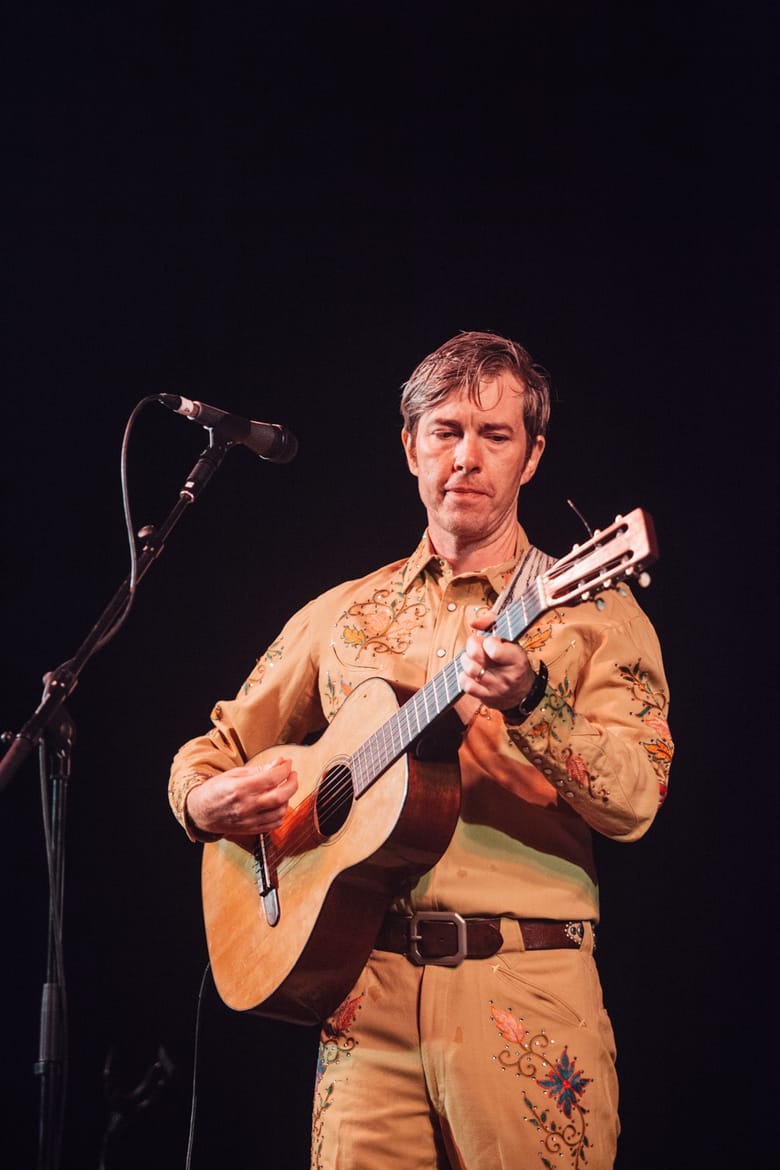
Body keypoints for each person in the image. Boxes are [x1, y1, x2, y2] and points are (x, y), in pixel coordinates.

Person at [168, 330, 673, 1170]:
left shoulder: (593, 610)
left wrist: (533, 703)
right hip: (361, 1002)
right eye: (445, 431)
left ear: (532, 456)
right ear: (411, 447)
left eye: (495, 435)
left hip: (524, 996)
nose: (466, 458)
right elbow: (217, 745)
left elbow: (637, 800)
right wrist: (199, 800)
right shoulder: (344, 614)